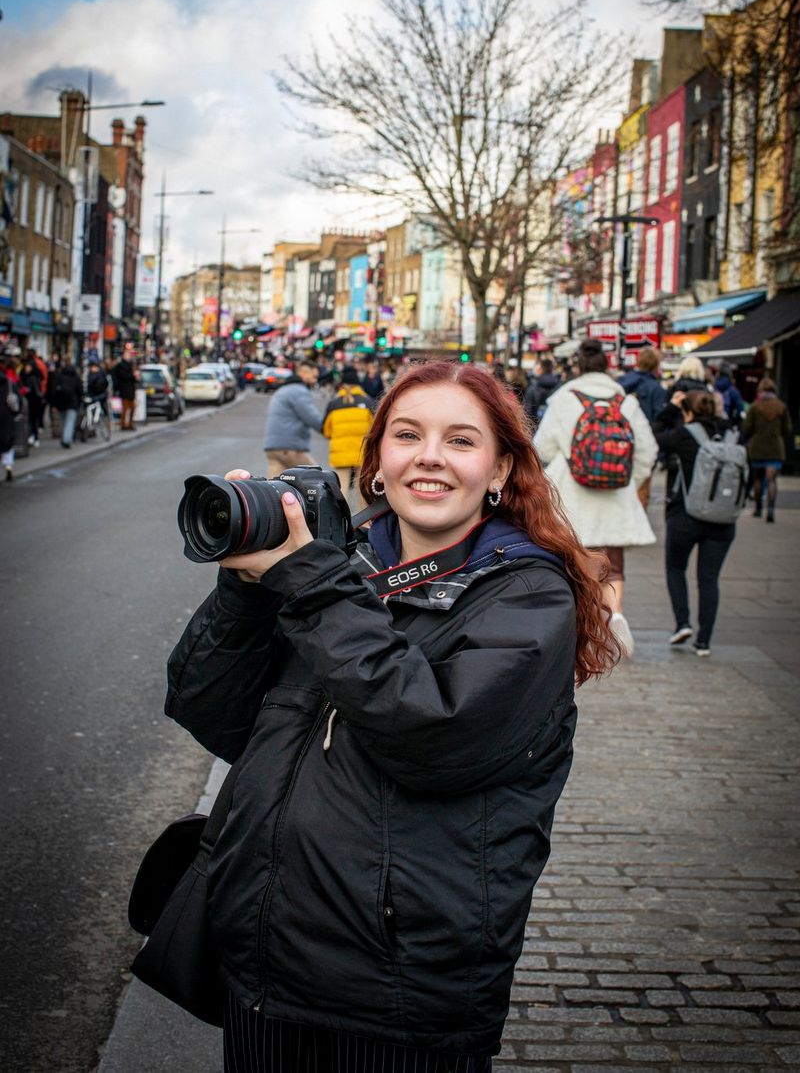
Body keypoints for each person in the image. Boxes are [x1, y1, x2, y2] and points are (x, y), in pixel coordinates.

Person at [166, 361, 618, 1072]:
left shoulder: (527, 597)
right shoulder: (342, 566)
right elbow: (214, 711)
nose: (430, 455)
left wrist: (309, 582)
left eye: (460, 440)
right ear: (378, 462)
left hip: (396, 992)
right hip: (264, 966)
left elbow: (434, 736)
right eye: (408, 434)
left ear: (500, 470)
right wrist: (248, 585)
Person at [534, 338, 657, 659]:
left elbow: (543, 447)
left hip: (572, 496)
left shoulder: (564, 399)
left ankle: (580, 627)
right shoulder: (626, 402)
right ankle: (614, 616)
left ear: (579, 367)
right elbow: (648, 450)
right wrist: (629, 478)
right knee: (613, 565)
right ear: (607, 367)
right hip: (615, 496)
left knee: (574, 561)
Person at [653, 390, 737, 656]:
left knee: (676, 568)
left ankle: (683, 623)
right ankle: (704, 641)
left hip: (684, 515)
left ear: (688, 411)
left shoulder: (684, 434)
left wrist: (670, 409)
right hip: (723, 519)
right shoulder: (732, 434)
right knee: (709, 579)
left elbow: (652, 436)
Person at [619, 347, 668, 508]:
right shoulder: (657, 389)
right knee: (641, 492)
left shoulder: (622, 382)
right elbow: (660, 419)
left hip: (616, 443)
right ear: (656, 365)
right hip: (642, 445)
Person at [741, 376, 793, 523]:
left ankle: (758, 509)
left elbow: (747, 428)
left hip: (757, 447)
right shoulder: (781, 406)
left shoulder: (755, 407)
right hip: (775, 447)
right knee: (772, 480)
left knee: (758, 479)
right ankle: (770, 510)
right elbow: (787, 428)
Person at [322, 364, 374, 503]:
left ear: (342, 384)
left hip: (340, 453)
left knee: (341, 490)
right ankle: (366, 523)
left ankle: (340, 520)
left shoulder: (334, 404)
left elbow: (327, 431)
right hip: (362, 453)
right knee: (363, 491)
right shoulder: (368, 402)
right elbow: (375, 428)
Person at [262, 359, 323, 478]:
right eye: (314, 376)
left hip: (272, 448)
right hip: (290, 447)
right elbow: (311, 417)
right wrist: (330, 431)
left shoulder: (283, 389)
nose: (316, 380)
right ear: (304, 372)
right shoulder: (298, 391)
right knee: (318, 480)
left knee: (275, 489)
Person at [50, 360, 83, 448]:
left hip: (61, 403)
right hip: (72, 403)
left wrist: (54, 404)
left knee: (63, 421)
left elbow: (54, 391)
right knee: (70, 422)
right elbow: (80, 391)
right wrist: (79, 401)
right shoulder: (76, 377)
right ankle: (66, 439)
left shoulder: (60, 377)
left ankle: (63, 438)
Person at [1, 348, 22, 481]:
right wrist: (17, 413)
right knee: (7, 442)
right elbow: (17, 400)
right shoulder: (9, 383)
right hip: (6, 417)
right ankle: (8, 466)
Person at [523, 358, 561, 426]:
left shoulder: (533, 388)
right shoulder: (560, 387)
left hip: (536, 428)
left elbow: (527, 412)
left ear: (541, 370)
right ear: (552, 370)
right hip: (554, 426)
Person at [19, 351, 45, 447]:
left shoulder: (33, 377)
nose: (27, 368)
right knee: (31, 420)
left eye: (28, 367)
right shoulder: (27, 375)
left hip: (34, 402)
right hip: (31, 401)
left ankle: (33, 436)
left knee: (33, 420)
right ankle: (32, 436)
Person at [710, 362, 745, 429]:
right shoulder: (734, 391)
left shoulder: (712, 388)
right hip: (728, 425)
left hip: (713, 425)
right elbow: (740, 411)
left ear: (718, 373)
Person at [113, 348, 139, 431]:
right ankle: (123, 424)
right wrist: (133, 376)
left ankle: (130, 423)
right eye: (127, 355)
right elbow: (123, 377)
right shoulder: (121, 365)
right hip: (124, 390)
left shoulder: (130, 365)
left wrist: (135, 377)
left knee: (132, 408)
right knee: (125, 408)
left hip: (130, 390)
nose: (129, 356)